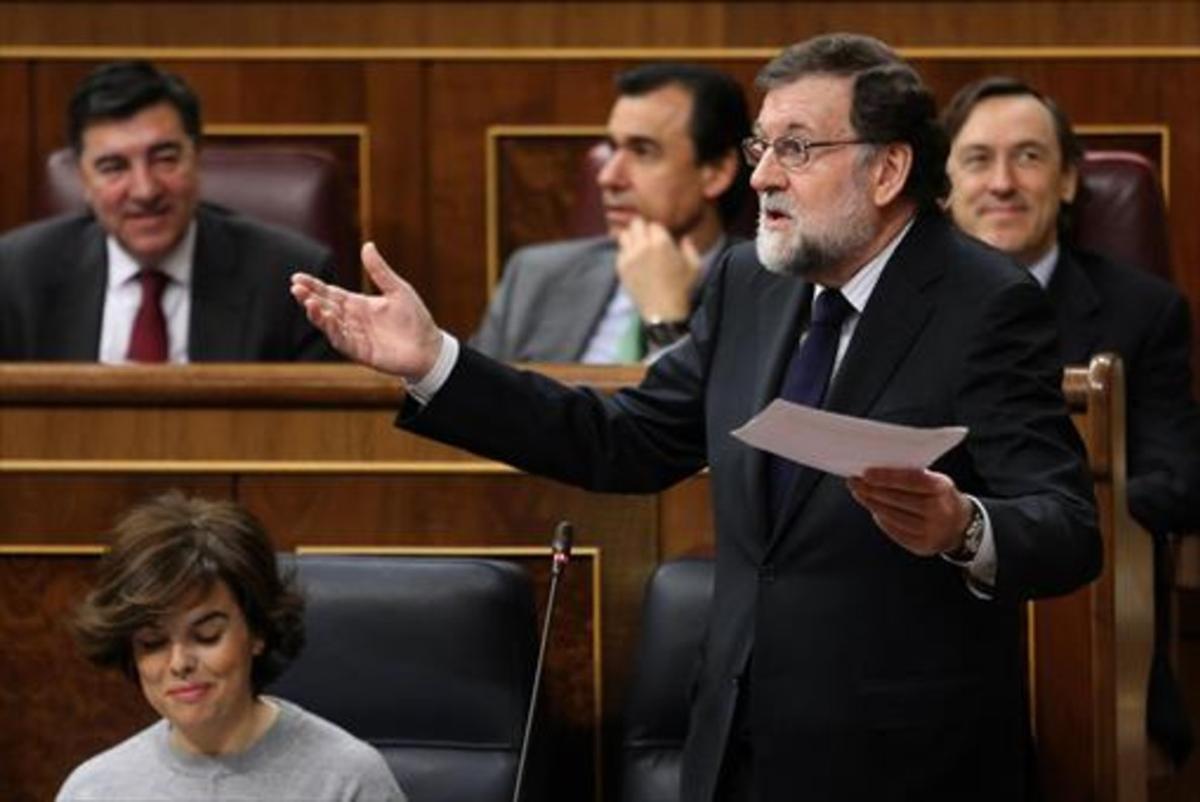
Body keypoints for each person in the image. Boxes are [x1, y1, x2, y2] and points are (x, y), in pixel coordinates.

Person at [293, 34, 1100, 801]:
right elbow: (625, 442)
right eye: (760, 148)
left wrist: (962, 526)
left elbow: (1067, 528)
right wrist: (435, 361)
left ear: (887, 169)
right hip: (736, 747)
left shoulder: (985, 303)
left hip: (904, 761)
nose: (762, 179)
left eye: (797, 149)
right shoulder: (750, 281)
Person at [942, 74, 1200, 764]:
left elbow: (1177, 479)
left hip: (1085, 615)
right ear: (943, 186)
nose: (1002, 181)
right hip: (920, 612)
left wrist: (1045, 519)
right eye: (976, 159)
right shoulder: (897, 308)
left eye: (1028, 157)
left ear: (1066, 182)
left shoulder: (1143, 312)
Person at [55, 492, 406, 801]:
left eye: (206, 635)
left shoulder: (349, 780)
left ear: (257, 631)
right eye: (153, 642)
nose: (179, 663)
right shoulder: (94, 789)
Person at [0, 60, 339, 362]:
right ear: (83, 180)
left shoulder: (290, 282)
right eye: (113, 166)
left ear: (196, 158)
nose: (145, 190)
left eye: (165, 158)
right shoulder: (16, 276)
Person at [472, 62, 751, 363]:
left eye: (643, 151)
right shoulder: (536, 275)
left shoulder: (766, 291)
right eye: (613, 148)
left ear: (717, 172)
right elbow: (474, 404)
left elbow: (726, 408)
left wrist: (666, 322)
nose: (608, 177)